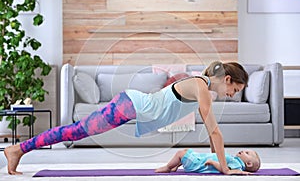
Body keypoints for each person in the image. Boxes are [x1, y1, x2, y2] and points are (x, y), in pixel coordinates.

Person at [4, 61, 248, 175]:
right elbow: (214, 131)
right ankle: (18, 149)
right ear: (228, 79)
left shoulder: (204, 90)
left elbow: (210, 129)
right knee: (76, 131)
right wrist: (226, 170)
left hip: (132, 105)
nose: (233, 95)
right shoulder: (201, 87)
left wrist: (218, 164)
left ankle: (19, 149)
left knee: (77, 130)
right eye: (235, 90)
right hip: (130, 104)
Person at [155, 148, 260, 174]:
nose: (243, 151)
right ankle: (176, 166)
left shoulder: (237, 164)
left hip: (199, 163)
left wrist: (213, 163)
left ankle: (168, 167)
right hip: (200, 159)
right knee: (186, 151)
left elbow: (226, 170)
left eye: (247, 153)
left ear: (249, 163)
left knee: (180, 153)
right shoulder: (235, 160)